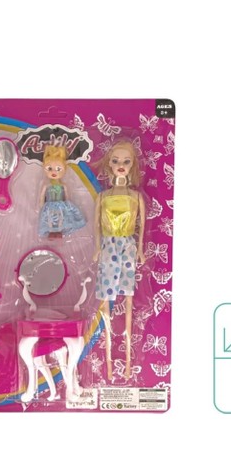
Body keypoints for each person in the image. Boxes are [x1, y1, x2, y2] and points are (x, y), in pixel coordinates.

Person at [93, 140, 146, 380]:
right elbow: (96, 225)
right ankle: (108, 362)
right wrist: (97, 248)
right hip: (108, 246)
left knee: (128, 299)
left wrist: (141, 249)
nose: (121, 165)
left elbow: (142, 226)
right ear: (109, 165)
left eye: (126, 161)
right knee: (106, 300)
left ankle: (127, 363)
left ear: (133, 164)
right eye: (115, 161)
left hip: (127, 245)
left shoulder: (136, 196)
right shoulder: (103, 196)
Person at [38, 145, 86, 238]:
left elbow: (67, 197)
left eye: (58, 169)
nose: (54, 172)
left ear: (64, 169)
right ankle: (51, 231)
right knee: (50, 219)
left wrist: (68, 205)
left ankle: (59, 231)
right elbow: (42, 196)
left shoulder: (63, 185)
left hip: (61, 205)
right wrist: (41, 205)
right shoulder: (46, 185)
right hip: (49, 205)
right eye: (49, 169)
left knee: (61, 218)